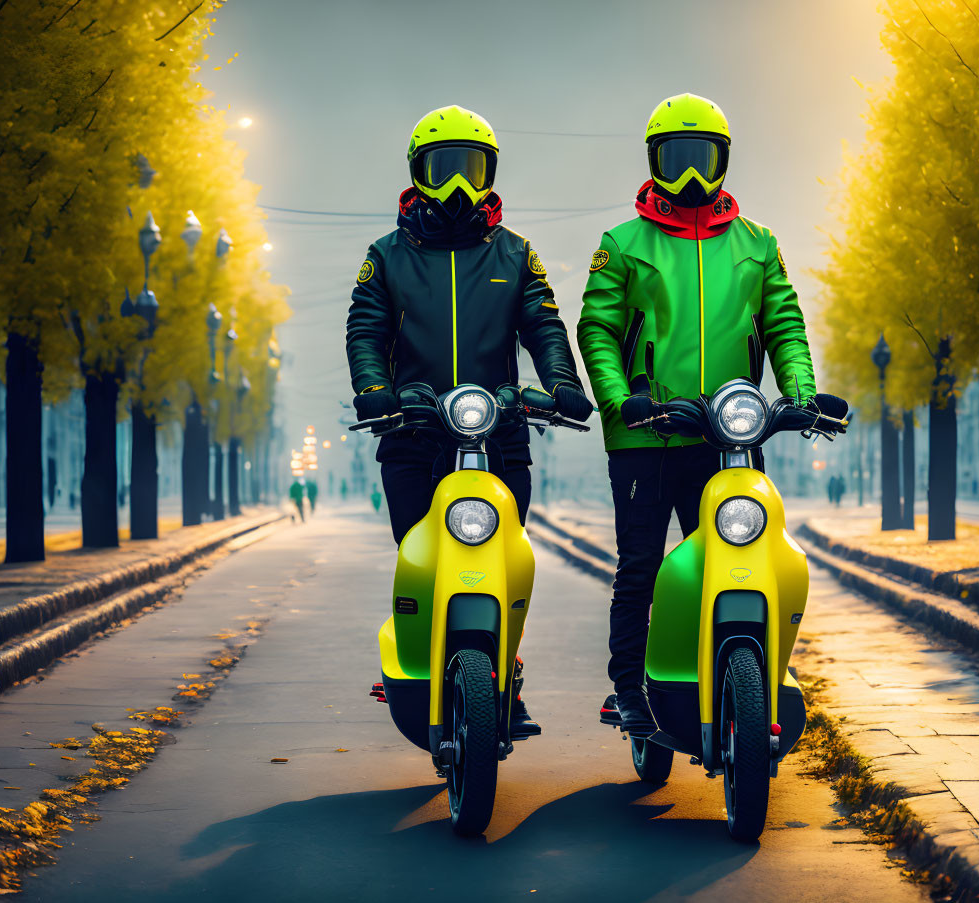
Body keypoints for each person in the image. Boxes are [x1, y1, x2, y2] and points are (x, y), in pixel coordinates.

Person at [346, 104, 593, 736]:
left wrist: (561, 384)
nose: (458, 183)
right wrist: (375, 389)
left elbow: (543, 325)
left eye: (472, 168)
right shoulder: (386, 256)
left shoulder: (516, 254)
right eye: (442, 166)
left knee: (503, 560)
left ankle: (502, 668)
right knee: (420, 557)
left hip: (502, 435)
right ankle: (416, 658)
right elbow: (365, 329)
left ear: (490, 174)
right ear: (417, 172)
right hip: (410, 435)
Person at [577, 93, 817, 734]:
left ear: (723, 161)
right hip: (645, 435)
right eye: (675, 158)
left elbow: (785, 323)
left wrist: (798, 388)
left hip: (729, 437)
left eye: (702, 157)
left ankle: (743, 678)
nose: (689, 175)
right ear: (654, 159)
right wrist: (618, 397)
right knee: (640, 568)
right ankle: (629, 689)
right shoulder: (622, 244)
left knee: (739, 559)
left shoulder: (758, 244)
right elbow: (597, 328)